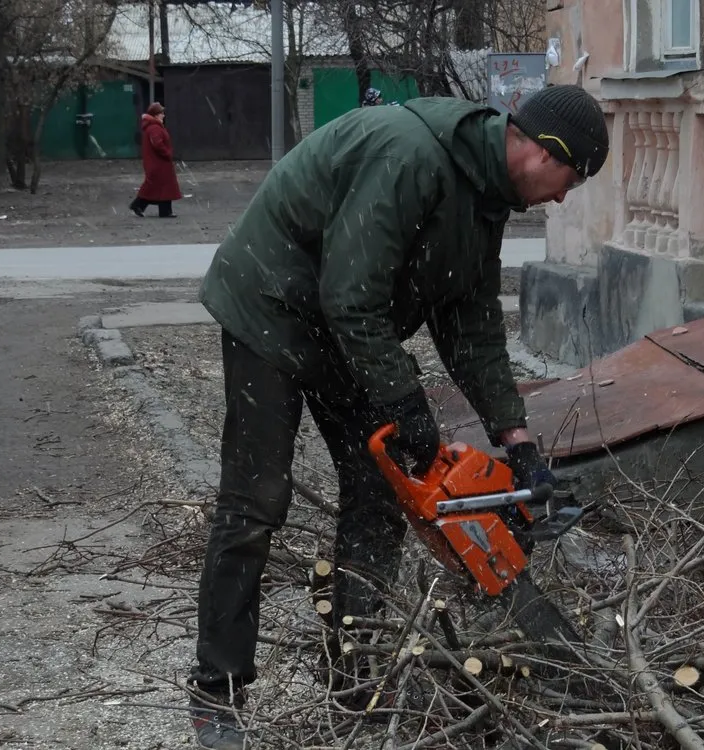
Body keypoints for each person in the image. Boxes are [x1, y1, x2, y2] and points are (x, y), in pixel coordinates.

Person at [187, 84, 609, 749]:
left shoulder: (485, 196)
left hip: (343, 329)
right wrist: (403, 400)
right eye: (571, 177)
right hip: (269, 309)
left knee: (378, 494)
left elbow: (470, 324)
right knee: (255, 500)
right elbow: (350, 293)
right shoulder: (410, 157)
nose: (563, 197)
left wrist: (516, 438)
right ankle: (218, 691)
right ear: (539, 148)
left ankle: (355, 673)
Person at [129, 102, 182, 219]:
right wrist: (167, 153)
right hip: (159, 163)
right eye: (161, 113)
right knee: (162, 185)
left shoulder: (152, 127)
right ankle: (160, 210)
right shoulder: (154, 128)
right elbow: (157, 144)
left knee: (158, 186)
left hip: (157, 162)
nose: (163, 115)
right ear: (156, 115)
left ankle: (143, 206)